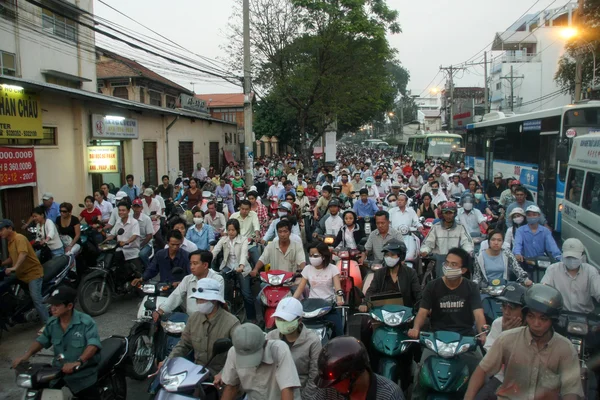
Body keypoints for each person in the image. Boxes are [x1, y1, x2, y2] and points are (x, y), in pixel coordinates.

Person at [464, 284, 584, 400]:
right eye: (531, 316)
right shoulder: (506, 338)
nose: (536, 323)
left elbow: (571, 390)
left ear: (552, 321)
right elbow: (482, 370)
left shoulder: (565, 348)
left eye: (543, 319)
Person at [409, 248, 487, 400]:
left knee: (481, 371)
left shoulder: (471, 287)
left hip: (464, 339)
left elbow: (478, 314)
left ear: (463, 269)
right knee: (421, 372)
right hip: (436, 339)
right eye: (447, 263)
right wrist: (416, 328)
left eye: (454, 264)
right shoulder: (432, 286)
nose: (448, 267)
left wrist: (482, 333)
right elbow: (422, 312)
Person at [11, 286, 102, 399]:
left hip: (82, 372)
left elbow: (93, 345)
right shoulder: (52, 322)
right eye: (51, 305)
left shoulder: (86, 322)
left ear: (69, 306)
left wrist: (78, 362)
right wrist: (26, 356)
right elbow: (42, 340)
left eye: (57, 305)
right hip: (59, 370)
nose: (52, 308)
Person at [359, 240, 420, 393]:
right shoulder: (379, 273)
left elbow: (418, 296)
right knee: (365, 329)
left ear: (401, 256)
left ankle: (414, 364)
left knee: (417, 335)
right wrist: (366, 303)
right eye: (387, 254)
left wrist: (420, 309)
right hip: (382, 319)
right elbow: (371, 292)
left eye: (393, 254)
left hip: (404, 319)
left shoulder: (410, 273)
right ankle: (367, 365)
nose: (389, 257)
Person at [157, 278, 239, 379]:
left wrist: (223, 373)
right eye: (197, 299)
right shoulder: (194, 319)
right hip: (196, 373)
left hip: (221, 378)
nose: (198, 302)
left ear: (214, 300)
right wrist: (168, 361)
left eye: (202, 299)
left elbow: (239, 354)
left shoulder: (232, 323)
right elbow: (184, 345)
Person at [474, 282, 527, 400]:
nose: (506, 312)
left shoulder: (531, 329)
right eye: (504, 306)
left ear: (524, 310)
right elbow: (492, 361)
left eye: (512, 308)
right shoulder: (498, 324)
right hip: (500, 378)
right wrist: (505, 335)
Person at [221, 323, 302, 400]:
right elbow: (231, 387)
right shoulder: (233, 352)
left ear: (265, 343)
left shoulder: (279, 349)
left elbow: (287, 389)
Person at [313, 336, 404, 400]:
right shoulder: (329, 391)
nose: (332, 386)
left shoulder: (390, 395)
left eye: (336, 382)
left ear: (354, 375)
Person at [266, 297, 322, 400]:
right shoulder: (270, 337)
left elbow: (315, 375)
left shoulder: (312, 341)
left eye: (286, 320)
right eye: (279, 319)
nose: (282, 322)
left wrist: (304, 397)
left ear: (299, 320)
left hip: (300, 393)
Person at [0, 219, 48, 327]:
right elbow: (12, 258)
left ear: (10, 228)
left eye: (2, 230)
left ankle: (48, 324)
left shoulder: (19, 238)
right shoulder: (10, 241)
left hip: (32, 273)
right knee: (7, 285)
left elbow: (23, 254)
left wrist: (14, 267)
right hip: (21, 274)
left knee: (37, 299)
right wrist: (2, 263)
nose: (0, 232)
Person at [293, 242, 345, 337]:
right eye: (310, 255)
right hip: (311, 307)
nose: (312, 257)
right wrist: (292, 300)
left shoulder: (333, 269)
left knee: (339, 332)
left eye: (316, 255)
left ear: (324, 256)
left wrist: (339, 299)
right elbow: (300, 288)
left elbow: (338, 288)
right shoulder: (307, 269)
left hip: (328, 306)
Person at [155, 250, 224, 317]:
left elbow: (217, 303)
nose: (191, 267)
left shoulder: (217, 279)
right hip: (191, 319)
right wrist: (161, 310)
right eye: (190, 263)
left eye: (195, 263)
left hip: (210, 319)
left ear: (205, 265)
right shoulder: (187, 279)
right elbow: (176, 295)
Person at [212, 219, 256, 322]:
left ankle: (252, 318)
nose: (231, 232)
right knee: (221, 290)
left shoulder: (243, 239)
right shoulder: (224, 239)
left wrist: (241, 266)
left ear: (237, 230)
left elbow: (244, 254)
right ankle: (222, 315)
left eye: (233, 230)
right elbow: (215, 251)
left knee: (247, 294)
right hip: (227, 267)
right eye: (229, 230)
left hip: (242, 268)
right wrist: (206, 260)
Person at [541, 238, 600, 313]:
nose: (571, 260)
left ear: (582, 256)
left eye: (574, 257)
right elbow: (544, 290)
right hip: (561, 314)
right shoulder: (553, 269)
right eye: (568, 257)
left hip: (585, 316)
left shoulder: (590, 271)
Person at [419, 202, 474, 278]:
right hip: (439, 259)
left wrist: (468, 251)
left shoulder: (460, 227)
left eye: (451, 213)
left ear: (454, 214)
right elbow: (428, 242)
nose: (448, 215)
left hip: (456, 260)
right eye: (446, 213)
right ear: (442, 214)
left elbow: (467, 242)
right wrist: (425, 250)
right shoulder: (436, 227)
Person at [106, 202, 143, 275]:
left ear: (128, 211)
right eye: (119, 210)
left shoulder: (134, 222)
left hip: (132, 251)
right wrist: (103, 242)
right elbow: (112, 235)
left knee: (138, 275)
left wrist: (126, 242)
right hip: (120, 250)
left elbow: (135, 235)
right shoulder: (118, 222)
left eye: (123, 210)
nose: (121, 212)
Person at [131, 198, 154, 267]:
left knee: (142, 254)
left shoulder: (146, 219)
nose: (136, 208)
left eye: (138, 206)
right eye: (135, 206)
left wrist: (141, 245)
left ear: (142, 208)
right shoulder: (130, 218)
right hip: (132, 243)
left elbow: (149, 235)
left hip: (145, 243)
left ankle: (149, 269)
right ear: (132, 207)